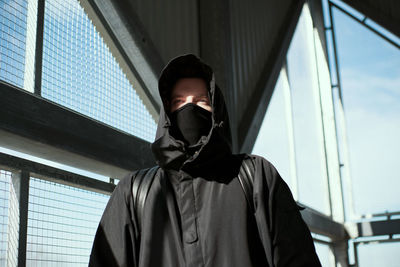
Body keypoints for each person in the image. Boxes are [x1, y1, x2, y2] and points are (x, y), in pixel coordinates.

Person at [89, 54, 321, 267]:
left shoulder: (256, 176)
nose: (189, 107)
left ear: (216, 113)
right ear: (166, 115)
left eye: (201, 101)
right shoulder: (134, 191)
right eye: (179, 102)